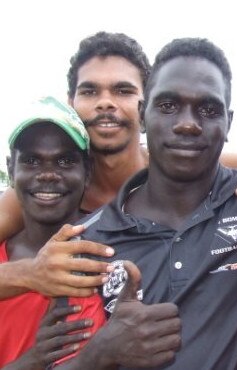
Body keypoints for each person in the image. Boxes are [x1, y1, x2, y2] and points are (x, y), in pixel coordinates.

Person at [57, 37, 237, 369]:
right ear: (144, 115)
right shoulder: (86, 245)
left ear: (228, 123)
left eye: (208, 109)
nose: (187, 123)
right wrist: (98, 354)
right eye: (168, 105)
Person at [0, 31, 151, 298]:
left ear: (146, 105)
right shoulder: (39, 192)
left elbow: (233, 162)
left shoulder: (168, 175)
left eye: (123, 90)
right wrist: (28, 273)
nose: (106, 102)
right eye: (90, 91)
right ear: (71, 103)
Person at [0, 96, 107, 368]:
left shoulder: (112, 254)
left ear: (87, 172)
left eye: (64, 162)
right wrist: (32, 361)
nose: (47, 174)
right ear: (11, 168)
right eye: (32, 161)